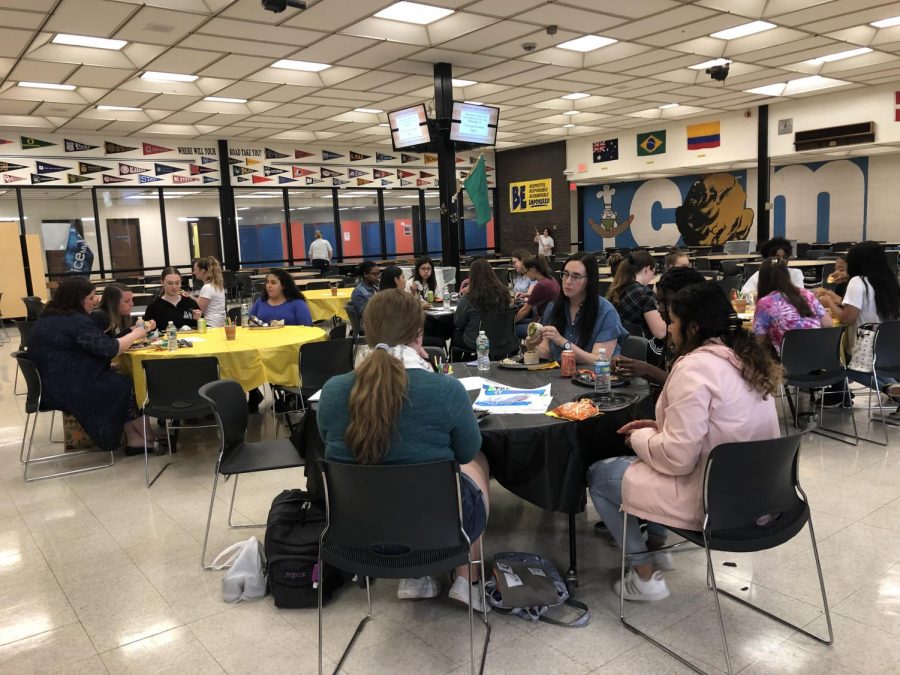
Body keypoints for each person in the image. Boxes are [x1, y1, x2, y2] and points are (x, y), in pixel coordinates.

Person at [588, 282, 781, 601]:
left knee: (600, 475)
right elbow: (716, 428)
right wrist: (659, 427)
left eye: (672, 321)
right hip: (764, 497)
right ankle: (657, 547)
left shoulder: (693, 368)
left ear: (692, 327)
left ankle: (645, 576)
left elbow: (677, 459)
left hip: (718, 504)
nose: (668, 328)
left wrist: (640, 436)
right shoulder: (743, 360)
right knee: (649, 464)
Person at [318, 290, 491, 611]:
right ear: (418, 332)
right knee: (475, 463)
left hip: (358, 528)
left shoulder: (332, 391)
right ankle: (469, 579)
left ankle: (415, 577)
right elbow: (467, 451)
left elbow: (329, 442)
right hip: (436, 525)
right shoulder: (446, 390)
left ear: (368, 331)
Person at [27, 277, 160, 454]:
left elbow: (82, 351)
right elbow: (110, 349)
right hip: (66, 387)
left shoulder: (51, 317)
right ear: (76, 299)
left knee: (121, 382)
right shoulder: (76, 321)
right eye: (90, 298)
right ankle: (145, 437)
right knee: (126, 384)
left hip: (50, 383)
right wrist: (137, 332)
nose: (95, 301)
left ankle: (136, 439)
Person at [818, 241, 900, 412]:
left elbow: (847, 318)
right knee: (871, 369)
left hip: (863, 345)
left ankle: (887, 390)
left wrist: (828, 303)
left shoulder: (857, 282)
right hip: (886, 345)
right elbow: (868, 306)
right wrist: (839, 299)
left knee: (841, 367)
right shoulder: (887, 280)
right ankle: (894, 389)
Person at [525, 253, 628, 365]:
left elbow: (599, 361)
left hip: (594, 379)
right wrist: (531, 345)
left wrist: (563, 342)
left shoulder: (606, 312)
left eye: (576, 276)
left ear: (589, 281)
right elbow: (547, 354)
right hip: (559, 377)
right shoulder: (553, 307)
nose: (568, 281)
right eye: (565, 274)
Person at [611, 266, 707, 386]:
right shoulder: (671, 332)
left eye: (665, 302)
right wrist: (630, 365)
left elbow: (687, 385)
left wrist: (647, 370)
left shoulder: (702, 342)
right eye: (658, 302)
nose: (659, 308)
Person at [752, 258, 830, 354]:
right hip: (820, 356)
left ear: (762, 279)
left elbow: (758, 340)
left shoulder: (765, 303)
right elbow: (828, 324)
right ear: (787, 275)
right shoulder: (807, 294)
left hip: (788, 361)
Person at [452, 258, 511, 352]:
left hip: (475, 342)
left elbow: (458, 322)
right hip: (501, 339)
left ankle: (460, 362)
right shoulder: (504, 293)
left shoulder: (468, 298)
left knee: (455, 334)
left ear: (472, 276)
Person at [607, 250, 667, 341]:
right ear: (646, 269)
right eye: (653, 271)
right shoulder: (645, 294)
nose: (653, 276)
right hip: (642, 349)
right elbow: (661, 333)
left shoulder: (616, 290)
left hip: (617, 344)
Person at [249, 268, 313, 326]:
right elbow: (249, 323)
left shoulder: (298, 304)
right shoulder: (260, 302)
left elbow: (307, 328)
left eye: (273, 283)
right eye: (267, 282)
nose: (269, 285)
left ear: (283, 285)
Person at [514, 256, 559, 338]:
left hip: (542, 325)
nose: (526, 275)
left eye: (526, 272)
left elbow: (525, 310)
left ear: (533, 269)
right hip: (551, 322)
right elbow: (544, 296)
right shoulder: (551, 279)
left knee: (512, 328)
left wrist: (509, 323)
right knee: (519, 322)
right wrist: (527, 295)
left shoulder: (541, 285)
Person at [192, 256, 227, 328]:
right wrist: (191, 297)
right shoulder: (217, 285)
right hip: (220, 323)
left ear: (202, 271)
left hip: (210, 325)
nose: (194, 272)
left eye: (195, 270)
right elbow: (208, 302)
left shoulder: (207, 288)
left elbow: (200, 309)